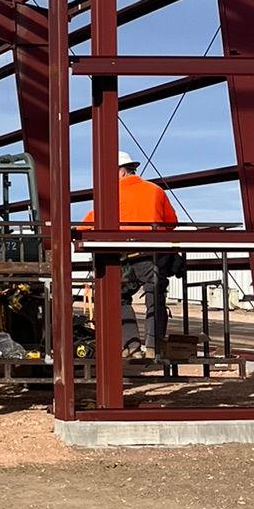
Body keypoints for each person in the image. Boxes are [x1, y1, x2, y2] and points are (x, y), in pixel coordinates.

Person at [82, 153, 177, 359]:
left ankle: (131, 345)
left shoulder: (110, 194)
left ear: (121, 171)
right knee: (155, 298)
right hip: (154, 255)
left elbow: (86, 225)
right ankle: (154, 347)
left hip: (124, 257)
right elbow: (171, 222)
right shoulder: (156, 190)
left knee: (118, 297)